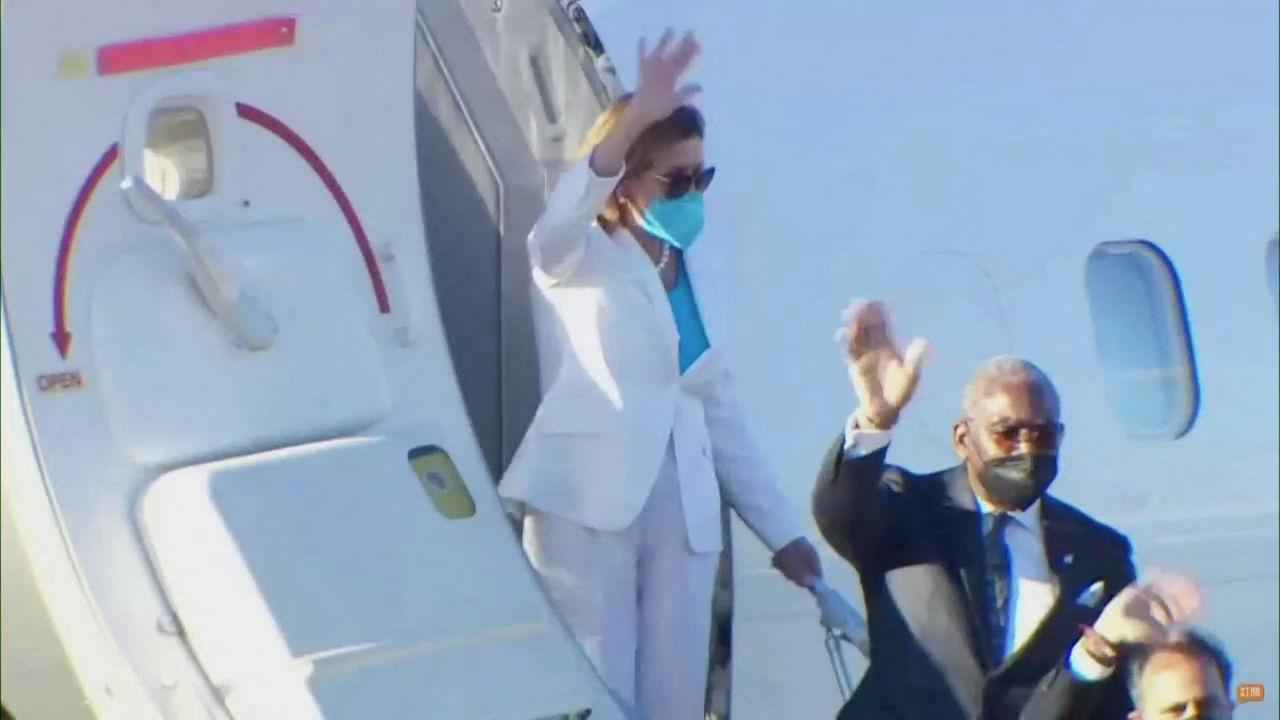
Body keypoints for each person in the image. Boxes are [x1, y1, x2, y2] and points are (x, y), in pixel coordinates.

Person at [499, 30, 822, 720]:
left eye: (702, 177)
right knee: (598, 690)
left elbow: (717, 401)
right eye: (676, 180)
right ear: (627, 180)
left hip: (684, 505)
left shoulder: (699, 267)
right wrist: (635, 117)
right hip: (591, 505)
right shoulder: (575, 254)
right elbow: (556, 225)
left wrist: (783, 533)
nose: (693, 193)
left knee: (672, 700)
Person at [812, 299, 1197, 719]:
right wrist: (875, 420)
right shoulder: (908, 508)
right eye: (1007, 434)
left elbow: (1102, 702)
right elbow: (841, 513)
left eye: (1043, 435)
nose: (1026, 449)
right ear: (963, 438)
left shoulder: (1097, 551)